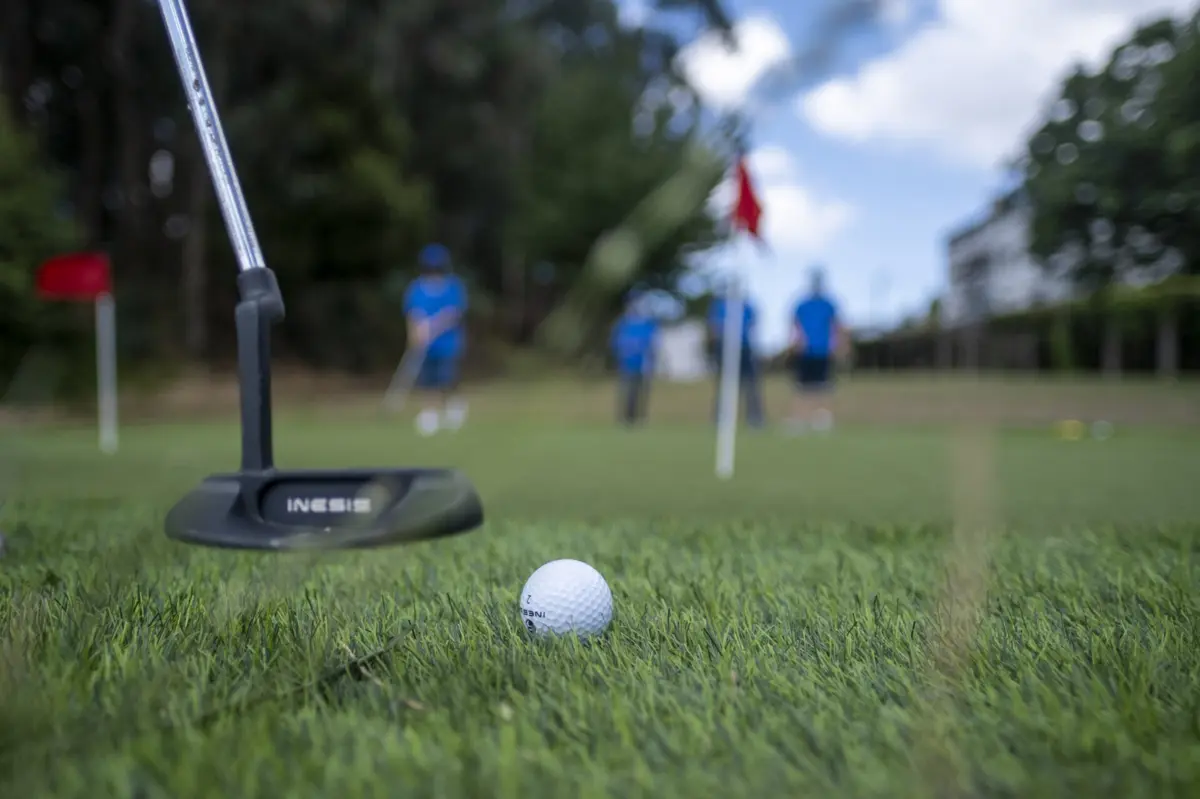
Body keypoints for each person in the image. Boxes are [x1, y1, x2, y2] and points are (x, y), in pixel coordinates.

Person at [403, 243, 468, 436]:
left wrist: (433, 326)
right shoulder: (416, 289)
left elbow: (454, 313)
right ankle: (430, 415)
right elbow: (412, 314)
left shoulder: (453, 287)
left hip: (448, 344)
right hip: (426, 346)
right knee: (427, 382)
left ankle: (454, 408)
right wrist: (415, 334)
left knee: (446, 380)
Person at [788, 267, 846, 433]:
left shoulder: (829, 303)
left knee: (824, 386)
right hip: (805, 352)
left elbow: (837, 325)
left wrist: (839, 345)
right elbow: (795, 324)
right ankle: (800, 419)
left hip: (824, 351)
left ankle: (822, 419)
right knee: (802, 387)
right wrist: (797, 342)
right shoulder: (802, 304)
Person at [707, 287, 764, 428]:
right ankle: (720, 418)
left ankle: (755, 419)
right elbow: (714, 326)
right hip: (725, 347)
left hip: (744, 348)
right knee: (725, 384)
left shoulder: (747, 306)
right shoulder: (719, 306)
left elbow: (753, 323)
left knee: (750, 384)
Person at [610, 293, 659, 426]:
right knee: (627, 392)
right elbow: (616, 343)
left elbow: (653, 344)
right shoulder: (623, 323)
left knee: (642, 393)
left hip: (644, 364)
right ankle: (626, 419)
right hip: (627, 364)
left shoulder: (648, 323)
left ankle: (640, 418)